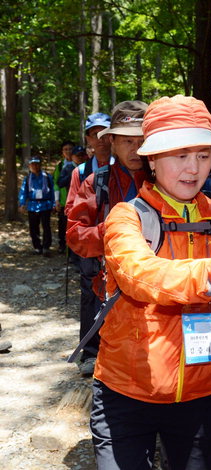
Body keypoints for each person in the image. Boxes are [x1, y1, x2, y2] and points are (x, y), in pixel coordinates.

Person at [91, 94, 211, 470]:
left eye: (203, 155)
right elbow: (140, 277)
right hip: (127, 392)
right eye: (180, 155)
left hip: (202, 394)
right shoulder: (127, 217)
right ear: (152, 158)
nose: (193, 168)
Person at [66, 101, 148, 378]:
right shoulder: (95, 182)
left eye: (142, 140)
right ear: (111, 141)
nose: (135, 149)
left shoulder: (166, 178)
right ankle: (92, 354)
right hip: (110, 281)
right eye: (127, 141)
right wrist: (111, 230)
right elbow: (75, 233)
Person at [18, 156, 55, 256]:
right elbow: (23, 192)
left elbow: (52, 190)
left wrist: (54, 203)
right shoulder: (28, 178)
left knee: (46, 226)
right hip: (32, 205)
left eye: (37, 164)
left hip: (45, 204)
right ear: (29, 165)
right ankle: (37, 247)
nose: (35, 166)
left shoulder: (47, 176)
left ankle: (46, 247)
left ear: (40, 165)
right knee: (33, 227)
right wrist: (22, 204)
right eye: (32, 164)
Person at [53, 140, 75, 253]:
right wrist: (56, 200)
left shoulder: (81, 163)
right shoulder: (60, 166)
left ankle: (73, 249)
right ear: (62, 152)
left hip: (76, 202)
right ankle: (62, 246)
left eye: (70, 149)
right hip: (63, 201)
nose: (68, 152)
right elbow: (56, 184)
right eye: (65, 150)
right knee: (62, 225)